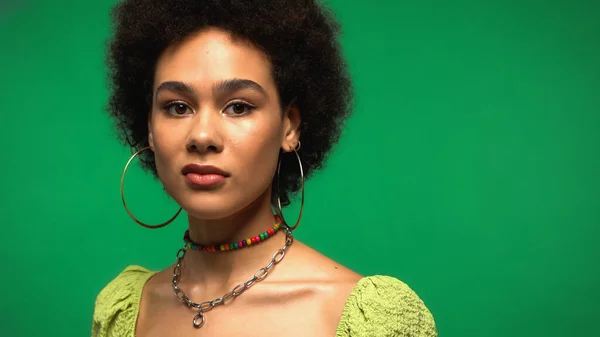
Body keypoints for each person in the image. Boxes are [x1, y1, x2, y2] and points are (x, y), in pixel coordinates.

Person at [91, 0, 437, 336]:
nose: (202, 136)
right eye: (178, 107)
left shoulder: (367, 321)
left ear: (290, 125)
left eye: (238, 107)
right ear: (149, 126)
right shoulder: (127, 311)